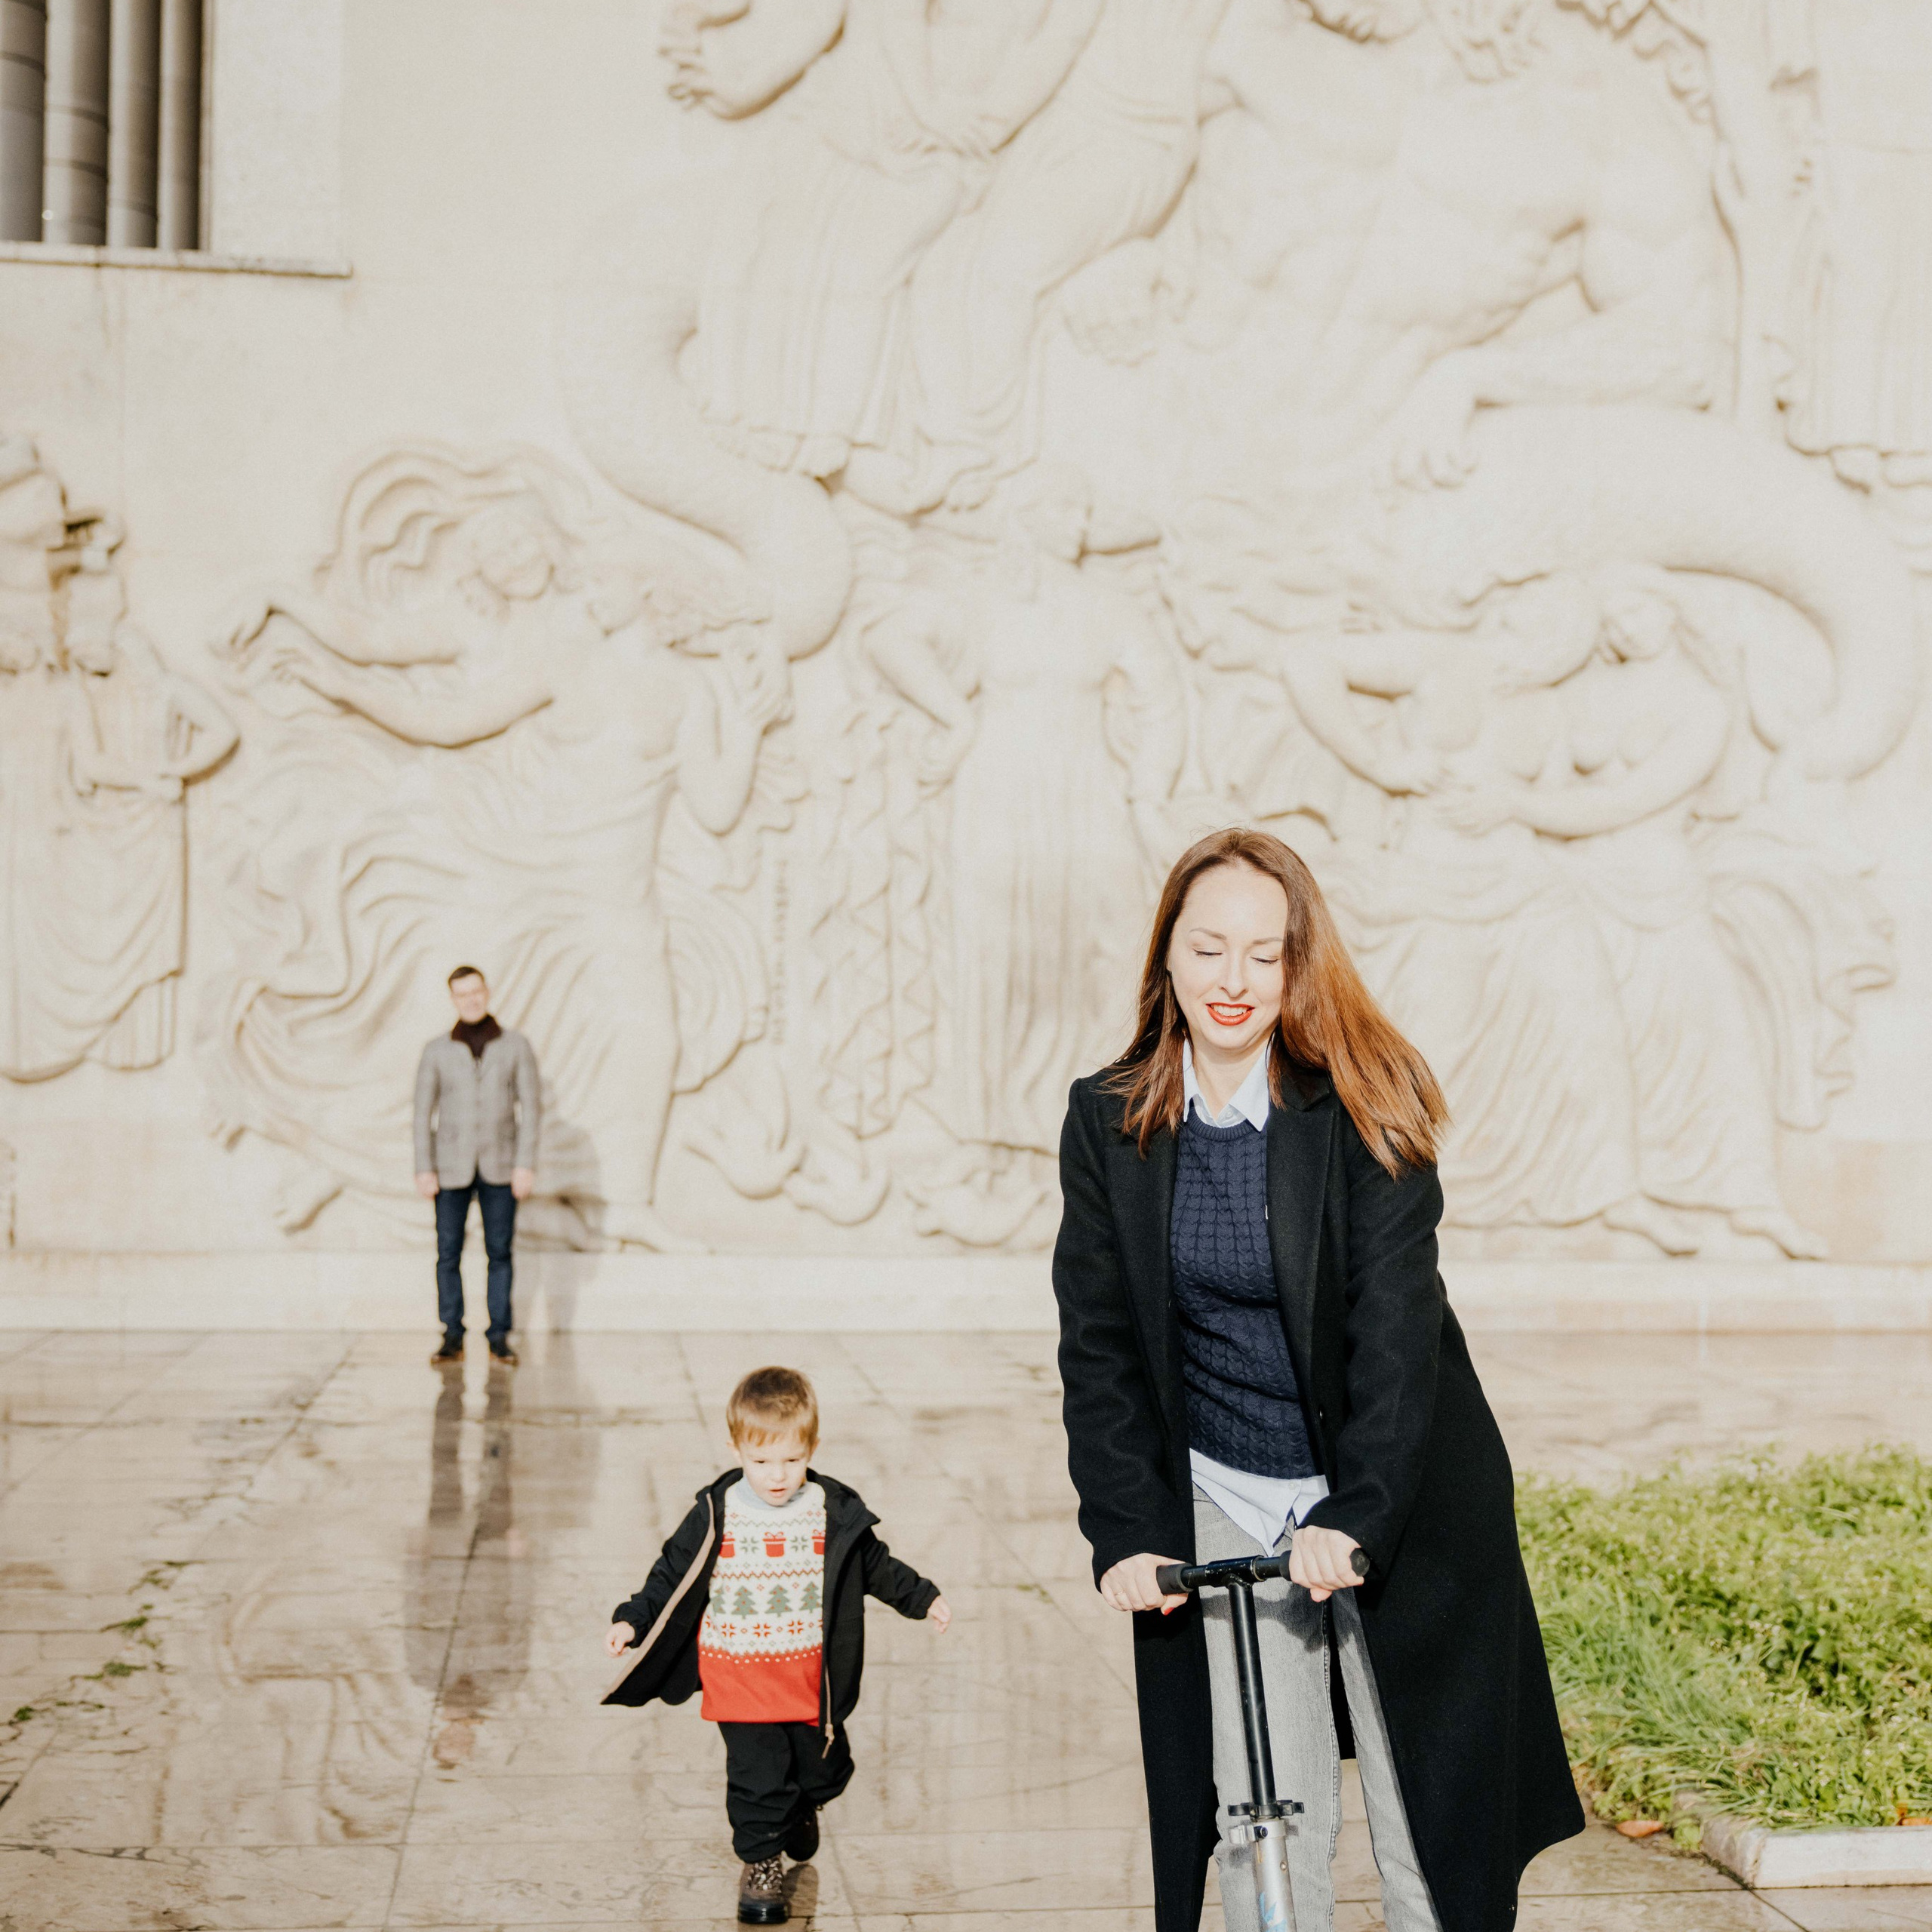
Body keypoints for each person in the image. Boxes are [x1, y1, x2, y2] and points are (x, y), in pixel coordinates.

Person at [1051, 826, 1580, 1932]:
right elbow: (1099, 1347)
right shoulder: (1109, 1119)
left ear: (1301, 965)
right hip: (1225, 1489)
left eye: (1264, 953)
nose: (1233, 981)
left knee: (1425, 1824)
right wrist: (1124, 1530)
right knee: (1264, 1824)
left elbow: (1397, 1341)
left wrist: (1357, 1514)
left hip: (1396, 1493)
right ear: (1167, 960)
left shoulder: (1362, 1103)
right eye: (1208, 950)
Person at [602, 1366, 950, 1925]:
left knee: (821, 1769)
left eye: (791, 1460)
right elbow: (671, 1571)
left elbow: (875, 1567)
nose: (777, 1476)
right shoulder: (719, 1513)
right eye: (760, 1462)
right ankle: (761, 1864)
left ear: (811, 1447)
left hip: (809, 1677)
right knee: (756, 1776)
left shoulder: (830, 1512)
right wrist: (633, 1620)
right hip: (736, 1675)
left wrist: (923, 1597)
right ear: (736, 1447)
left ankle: (802, 1805)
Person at [414, 966, 540, 1367]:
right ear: (452, 998)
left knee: (499, 1252)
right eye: (462, 994)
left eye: (476, 991)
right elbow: (422, 1113)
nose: (471, 999)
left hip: (501, 1167)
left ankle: (499, 1335)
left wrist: (525, 1164)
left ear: (487, 992)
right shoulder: (436, 1050)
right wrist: (423, 1166)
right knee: (447, 1252)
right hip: (449, 1168)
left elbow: (532, 1109)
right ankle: (452, 1334)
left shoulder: (515, 1046)